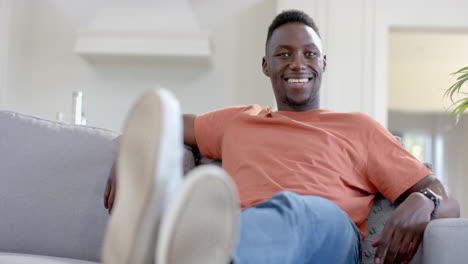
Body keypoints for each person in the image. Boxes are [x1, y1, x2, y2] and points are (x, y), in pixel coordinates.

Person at [102, 10, 460, 264]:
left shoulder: (359, 127)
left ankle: (194, 249)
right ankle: (186, 244)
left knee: (298, 208)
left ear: (323, 63)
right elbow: (159, 122)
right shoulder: (240, 120)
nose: (298, 63)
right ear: (266, 66)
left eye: (309, 54)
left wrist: (425, 198)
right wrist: (130, 152)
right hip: (250, 232)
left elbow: (444, 197)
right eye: (283, 54)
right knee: (256, 217)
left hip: (328, 237)